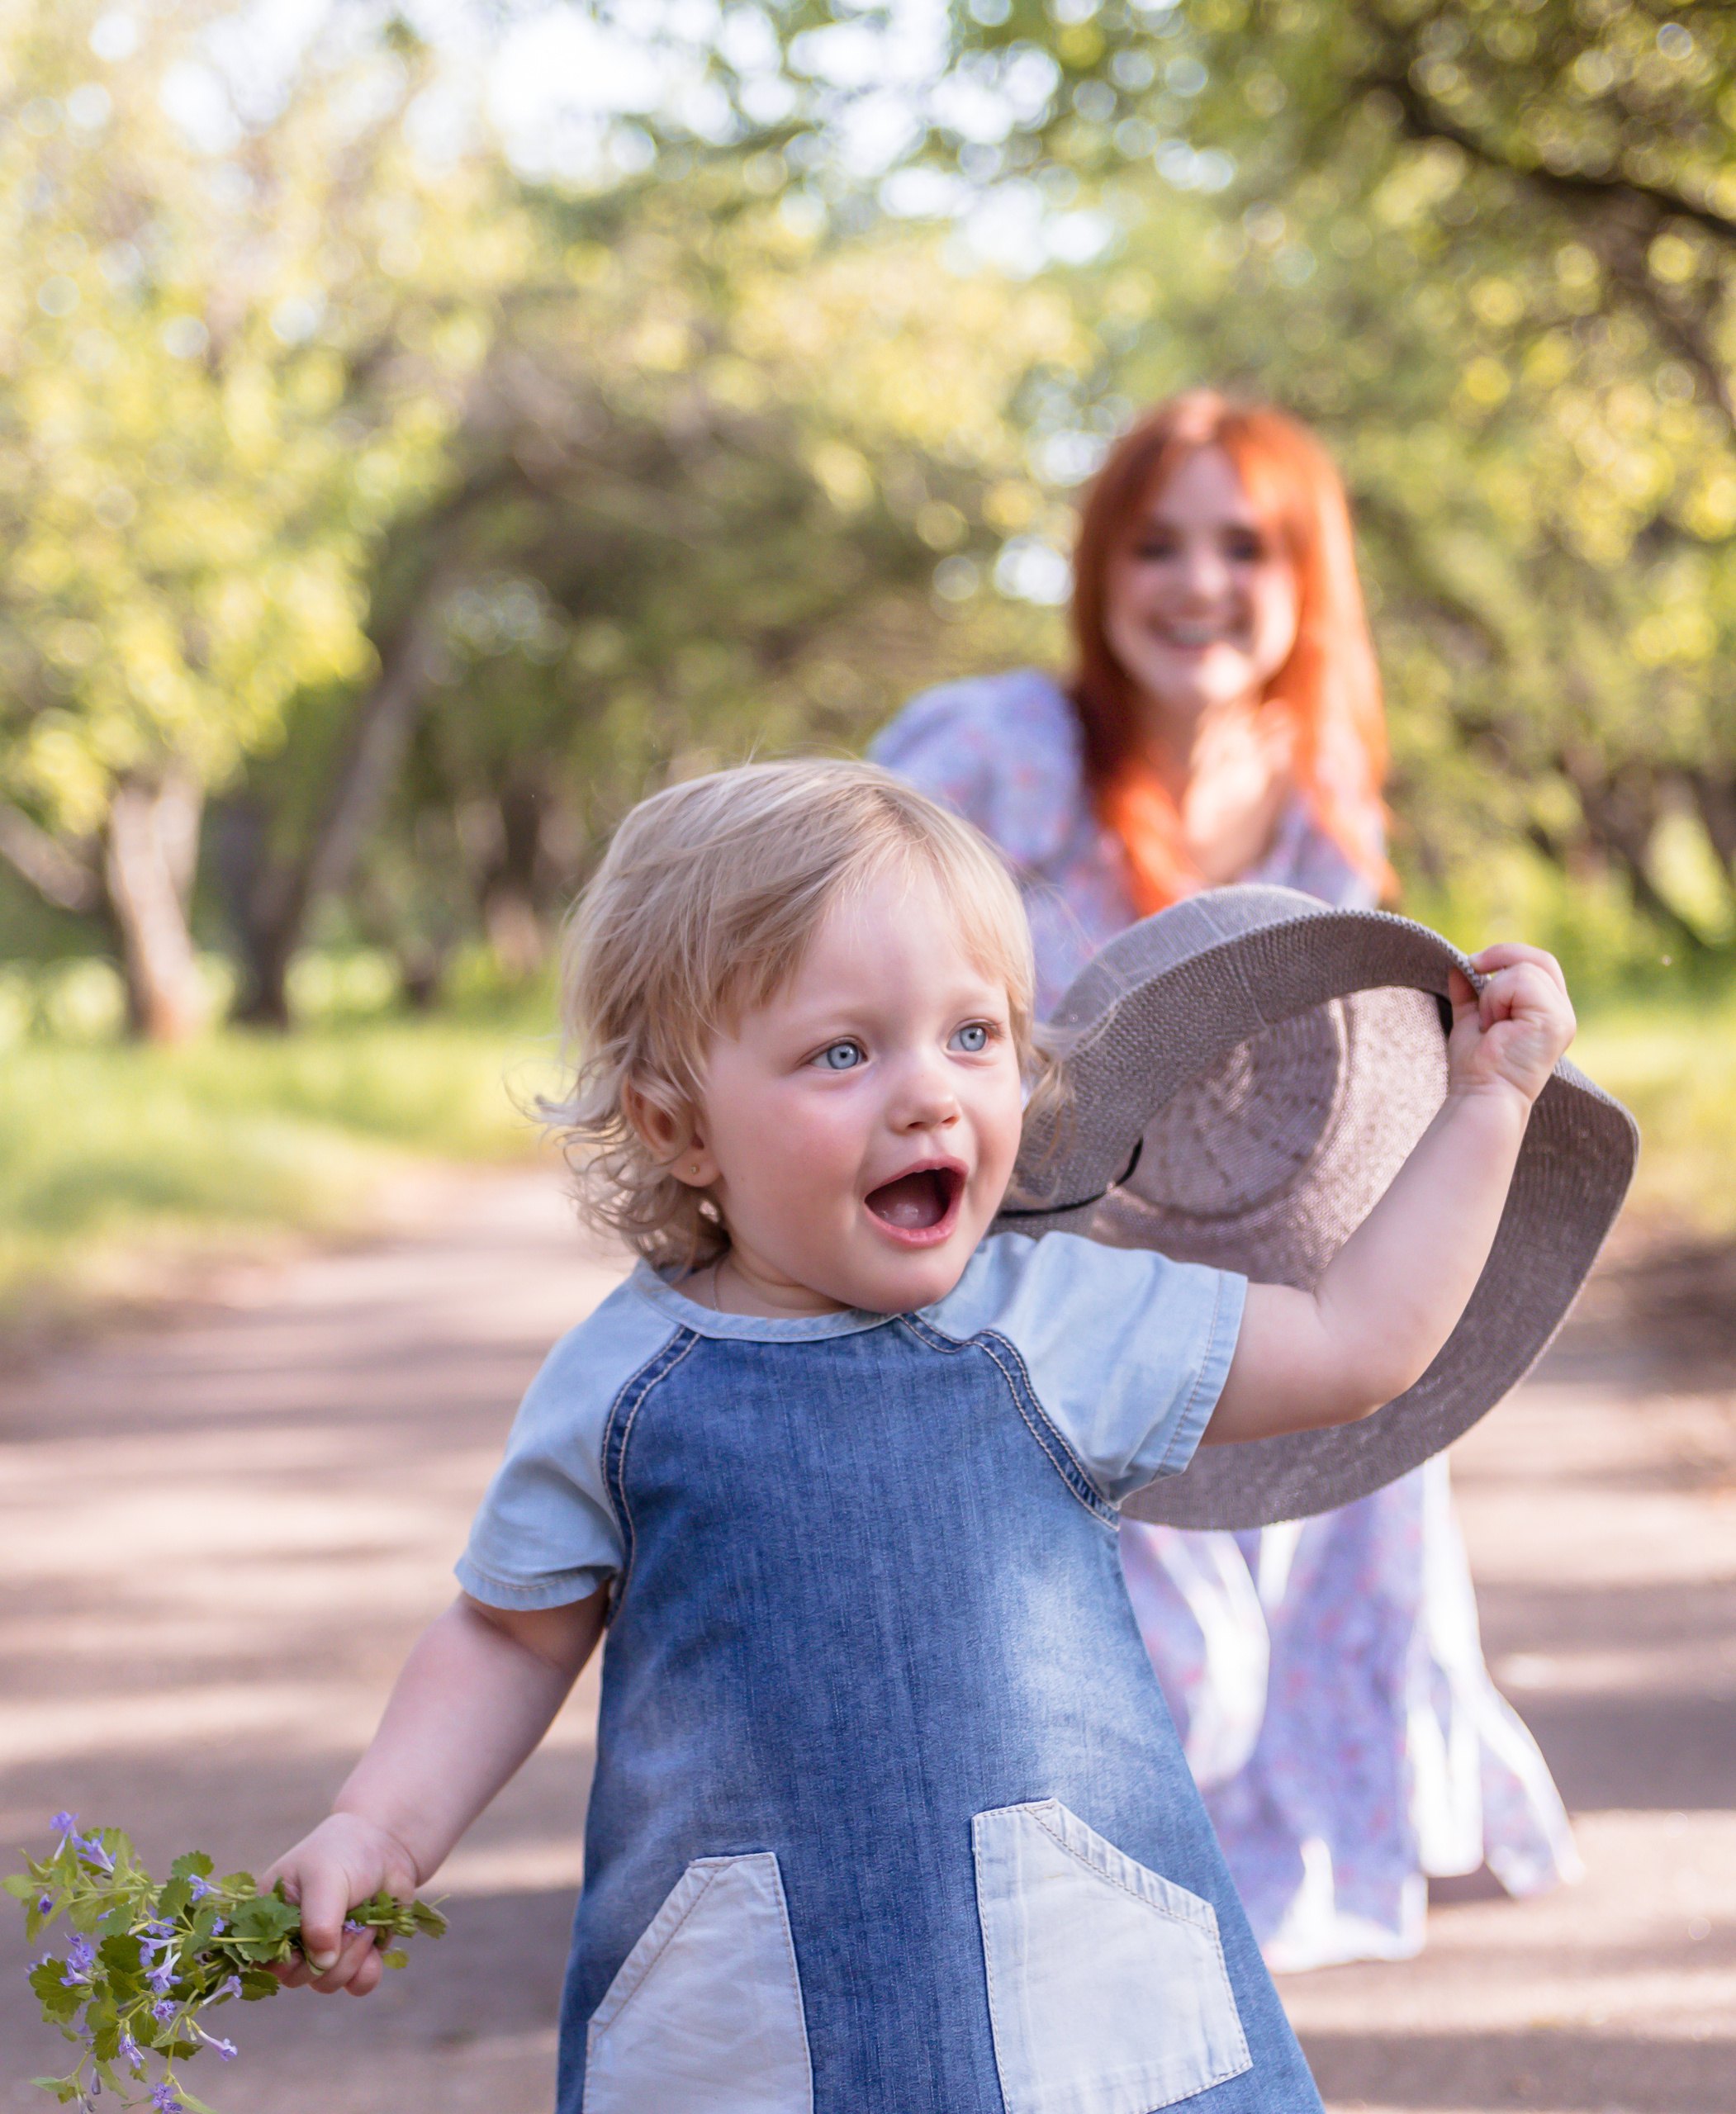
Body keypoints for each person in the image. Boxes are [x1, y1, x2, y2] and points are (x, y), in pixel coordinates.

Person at [262, 757, 1578, 2111]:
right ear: (677, 1124)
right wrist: (380, 1827)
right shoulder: (624, 1387)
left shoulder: (1056, 1322)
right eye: (842, 1052)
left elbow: (1354, 1340)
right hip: (758, 2014)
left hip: (1079, 2003)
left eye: (971, 1035)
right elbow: (507, 1635)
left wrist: (1487, 1106)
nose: (927, 1095)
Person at [870, 389, 1582, 1969]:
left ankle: (1295, 1812)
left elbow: (1344, 1063)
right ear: (1098, 572)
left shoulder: (1314, 793)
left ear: (1303, 579)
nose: (1199, 584)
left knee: (1375, 1384)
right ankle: (1075, 1830)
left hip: (1242, 1224)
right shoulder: (992, 750)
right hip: (1004, 1241)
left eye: (1245, 548)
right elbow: (816, 934)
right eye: (1157, 546)